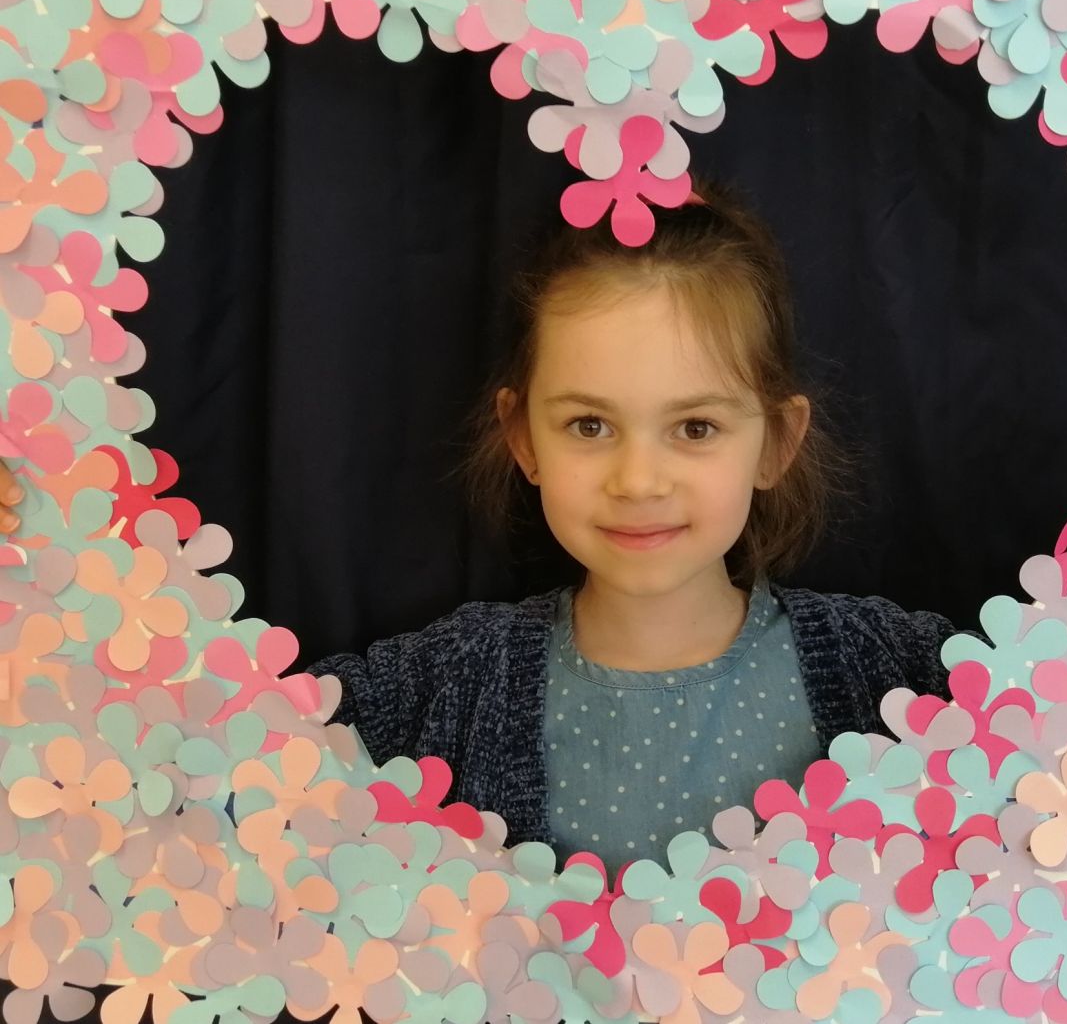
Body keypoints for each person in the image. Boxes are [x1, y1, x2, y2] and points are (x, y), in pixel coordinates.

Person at [0, 183, 959, 868]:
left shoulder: (897, 677)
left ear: (775, 442)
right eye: (590, 425)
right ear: (523, 435)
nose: (638, 479)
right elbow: (193, 757)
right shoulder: (445, 687)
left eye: (696, 427)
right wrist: (44, 553)